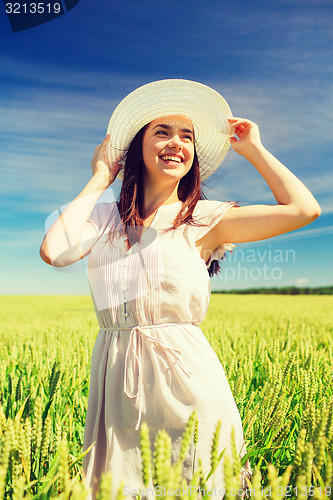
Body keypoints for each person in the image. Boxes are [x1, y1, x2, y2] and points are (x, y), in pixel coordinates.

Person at [39, 79, 321, 499]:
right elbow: (56, 252)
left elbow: (304, 209)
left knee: (199, 483)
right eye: (162, 132)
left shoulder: (203, 218)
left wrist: (254, 150)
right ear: (137, 148)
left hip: (188, 380)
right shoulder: (101, 219)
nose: (176, 144)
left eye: (186, 136)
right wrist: (101, 177)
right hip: (116, 383)